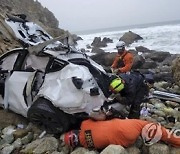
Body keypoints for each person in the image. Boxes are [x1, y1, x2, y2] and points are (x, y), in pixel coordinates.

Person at [60, 118, 180, 149]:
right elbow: (100, 117)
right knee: (151, 126)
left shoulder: (88, 146)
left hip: (127, 142)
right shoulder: (85, 124)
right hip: (125, 127)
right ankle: (174, 140)